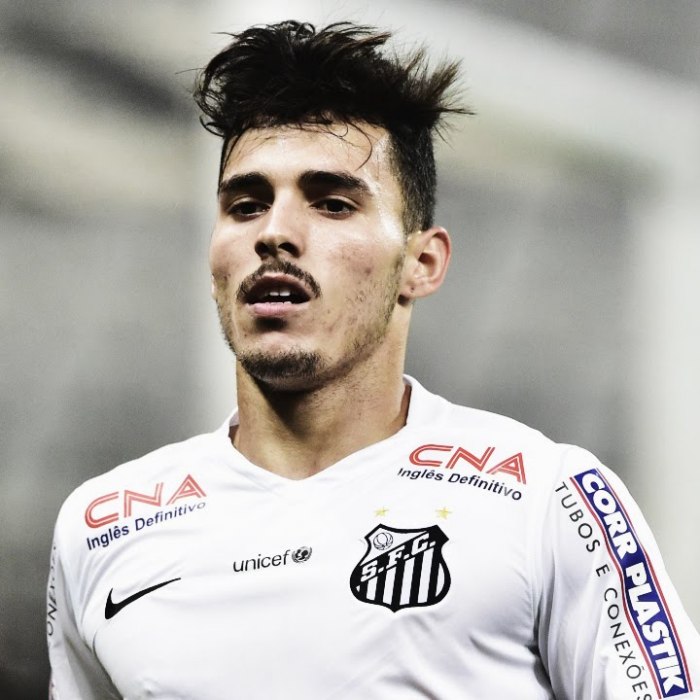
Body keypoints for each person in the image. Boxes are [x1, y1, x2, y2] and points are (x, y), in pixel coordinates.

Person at [46, 20, 699, 699]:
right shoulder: (103, 527)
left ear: (422, 262)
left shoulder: (544, 499)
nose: (274, 233)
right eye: (246, 205)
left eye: (331, 204)